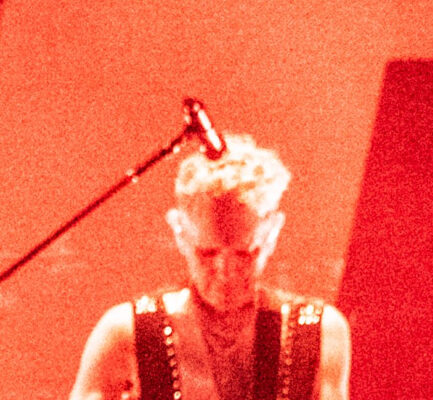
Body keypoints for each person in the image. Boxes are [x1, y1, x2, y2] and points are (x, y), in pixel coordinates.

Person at [66, 136, 349, 400]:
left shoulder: (319, 333)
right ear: (180, 232)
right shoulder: (125, 332)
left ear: (272, 232)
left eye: (245, 253)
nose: (225, 270)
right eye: (207, 253)